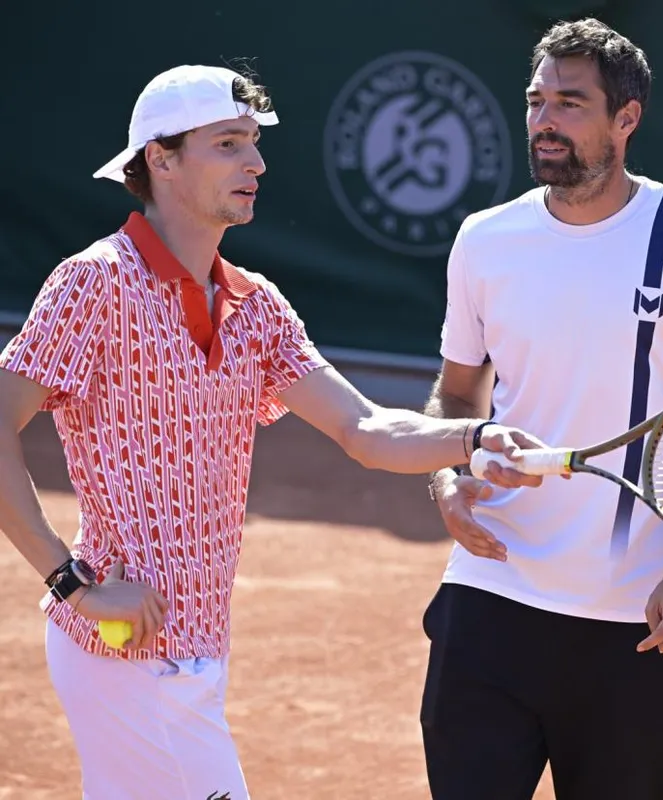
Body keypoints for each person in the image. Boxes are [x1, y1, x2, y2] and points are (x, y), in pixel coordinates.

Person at [0, 63, 536, 800]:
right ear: (161, 157)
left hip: (194, 655)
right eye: (228, 143)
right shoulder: (91, 283)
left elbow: (366, 427)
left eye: (253, 143)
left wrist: (475, 437)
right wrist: (72, 584)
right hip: (128, 655)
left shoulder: (257, 308)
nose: (255, 162)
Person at [420, 18, 663, 800]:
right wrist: (444, 479)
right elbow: (458, 393)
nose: (544, 120)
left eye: (570, 103)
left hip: (636, 624)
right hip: (489, 595)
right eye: (537, 100)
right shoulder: (484, 239)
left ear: (626, 118)